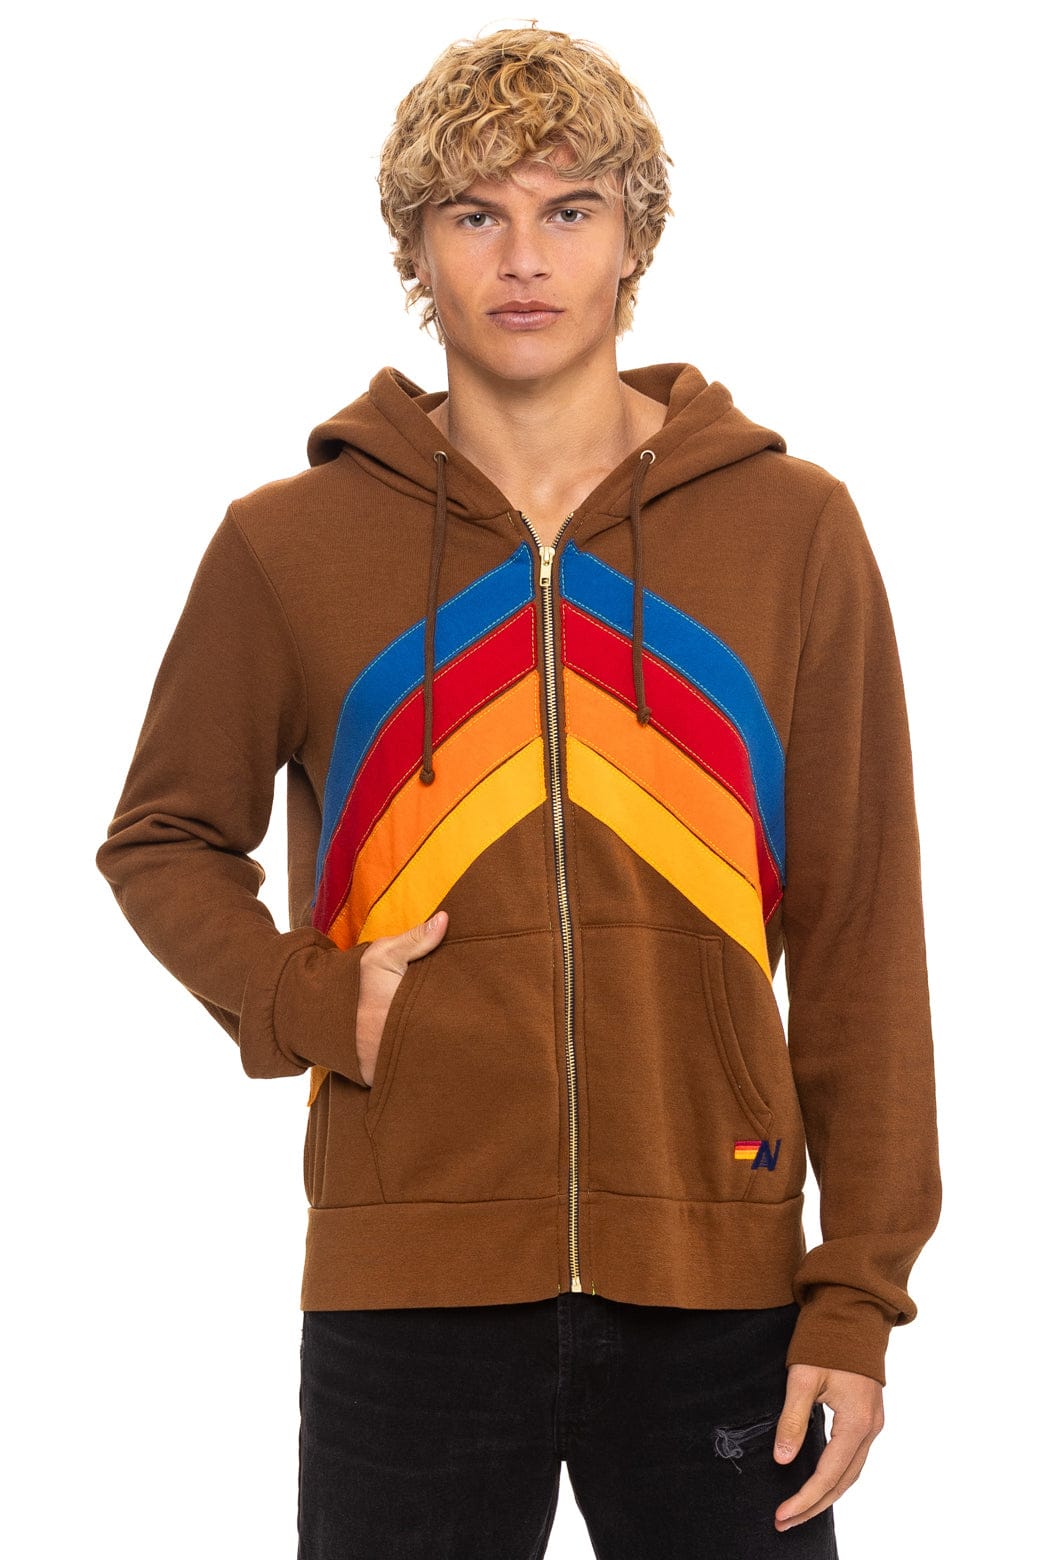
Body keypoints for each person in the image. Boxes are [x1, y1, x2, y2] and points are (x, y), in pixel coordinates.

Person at [96, 26, 940, 1559]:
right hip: (405, 1286)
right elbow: (162, 837)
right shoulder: (290, 543)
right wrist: (308, 1000)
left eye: (570, 209)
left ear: (635, 238)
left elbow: (861, 921)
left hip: (721, 1282)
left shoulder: (791, 530)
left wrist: (859, 1293)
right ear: (416, 247)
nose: (524, 257)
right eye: (474, 212)